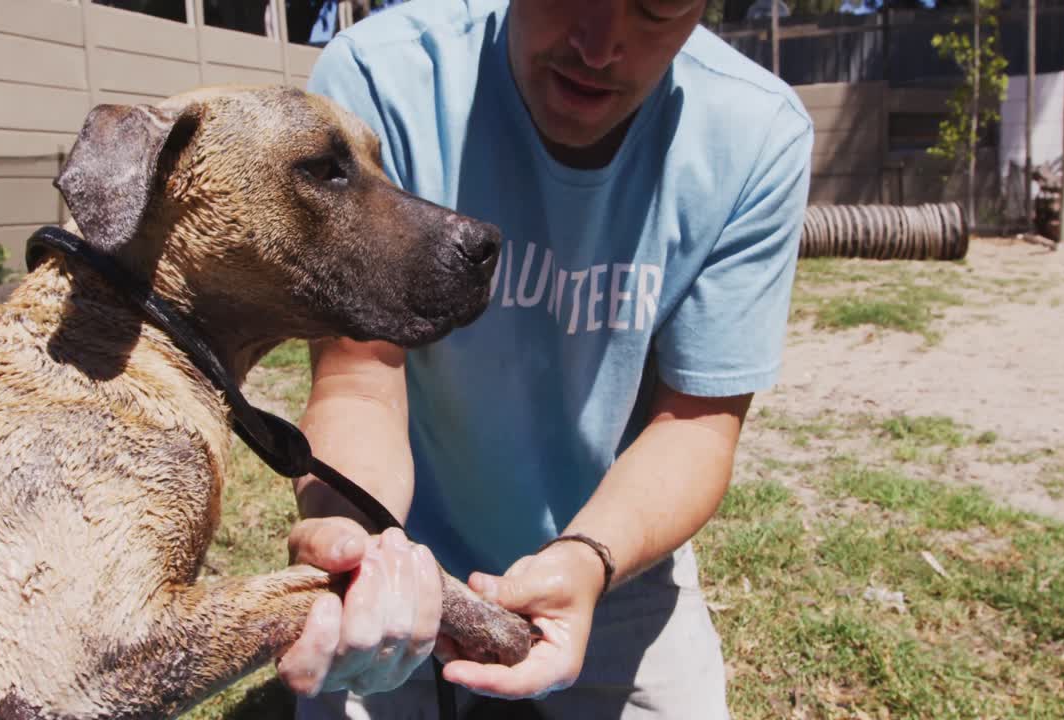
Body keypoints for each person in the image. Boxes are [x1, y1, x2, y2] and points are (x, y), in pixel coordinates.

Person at [275, 0, 813, 717]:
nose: (598, 47)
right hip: (403, 551)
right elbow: (359, 378)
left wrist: (588, 561)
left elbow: (696, 424)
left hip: (614, 555)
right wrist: (357, 537)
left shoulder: (755, 133)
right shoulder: (383, 79)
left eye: (655, 8)